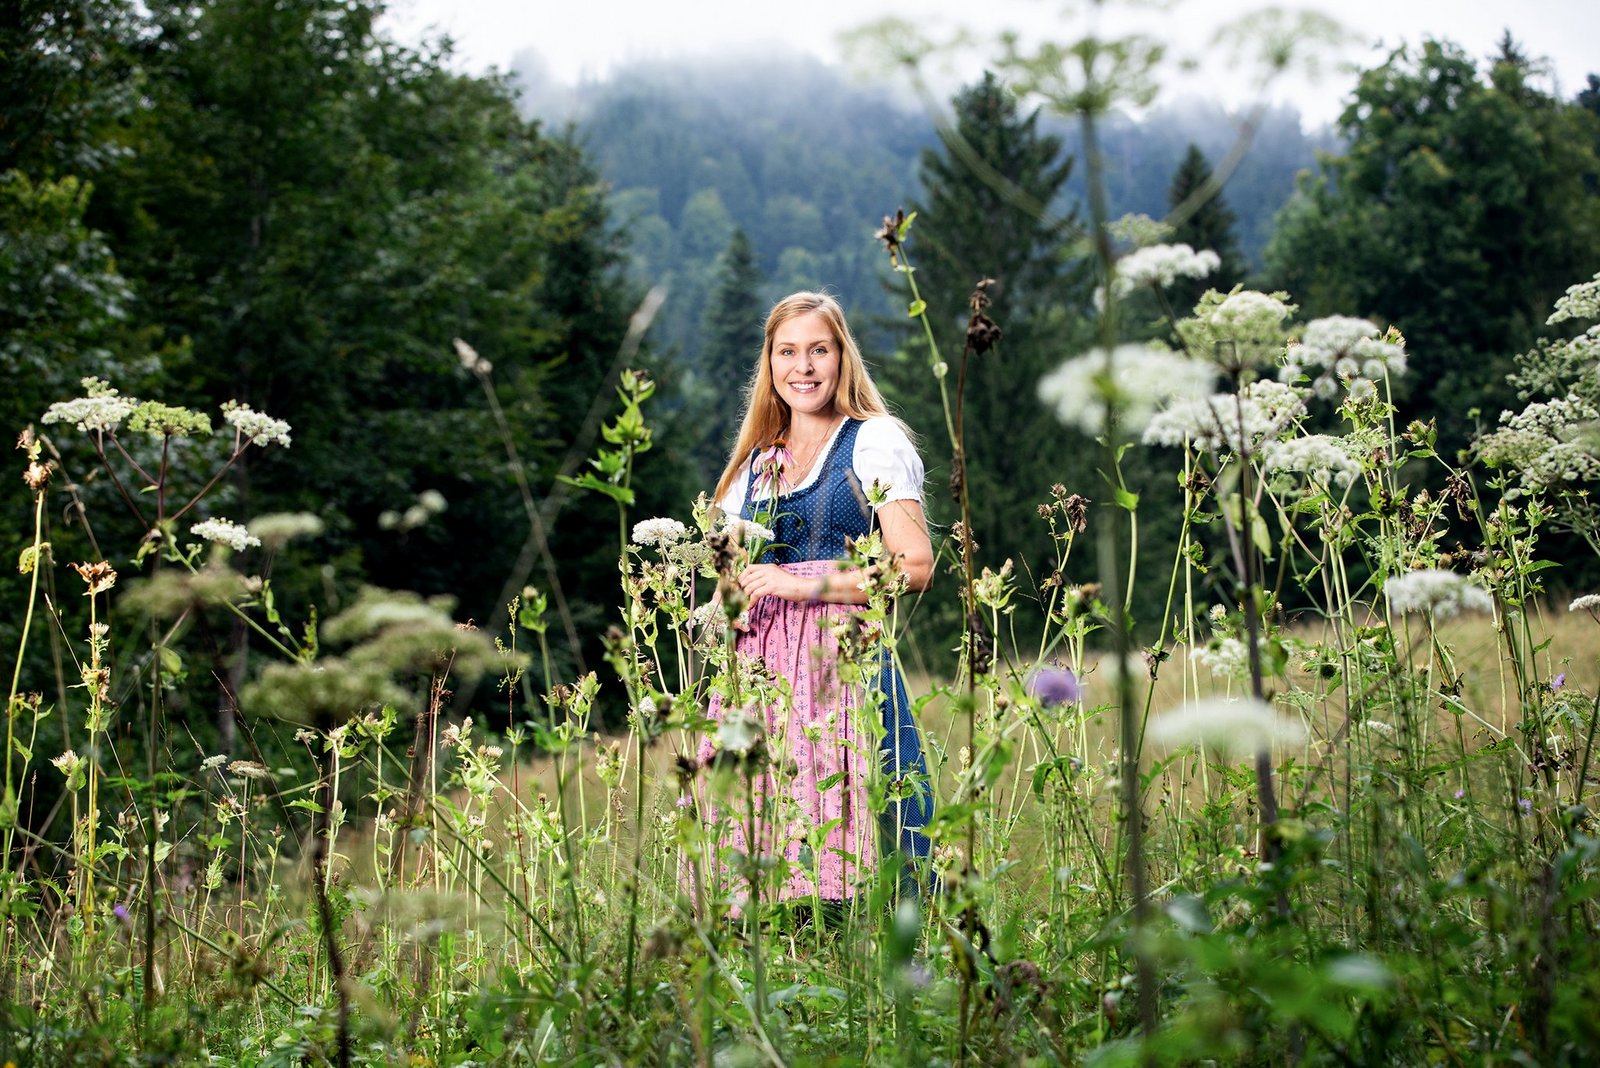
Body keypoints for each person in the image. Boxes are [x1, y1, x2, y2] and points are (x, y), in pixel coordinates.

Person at [702, 290, 935, 908]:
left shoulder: (871, 441)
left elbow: (915, 567)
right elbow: (729, 581)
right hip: (763, 679)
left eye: (819, 351)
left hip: (844, 667)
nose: (803, 367)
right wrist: (728, 602)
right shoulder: (752, 466)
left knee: (871, 815)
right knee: (763, 843)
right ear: (769, 363)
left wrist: (802, 585)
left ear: (841, 358)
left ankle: (892, 949)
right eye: (788, 352)